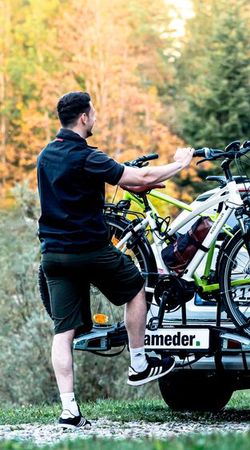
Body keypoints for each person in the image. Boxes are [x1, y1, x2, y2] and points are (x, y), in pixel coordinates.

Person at [37, 91, 194, 429]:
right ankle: (139, 363)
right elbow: (141, 179)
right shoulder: (86, 156)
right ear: (83, 118)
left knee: (62, 333)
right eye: (92, 112)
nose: (94, 117)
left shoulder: (45, 155)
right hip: (90, 250)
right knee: (137, 287)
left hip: (53, 254)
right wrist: (180, 163)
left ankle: (69, 411)